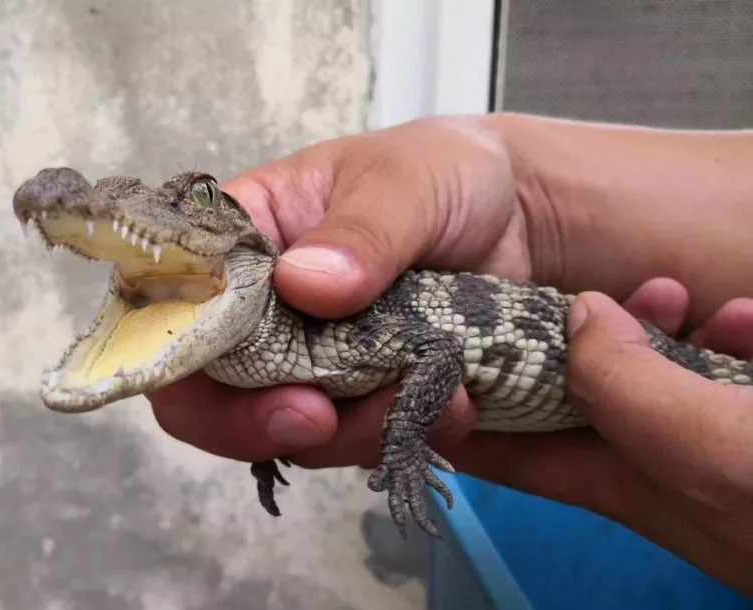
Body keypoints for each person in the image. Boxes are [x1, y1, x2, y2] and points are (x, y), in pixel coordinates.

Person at [144, 113, 753, 593]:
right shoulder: (266, 342)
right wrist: (517, 186)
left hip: (624, 359)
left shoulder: (333, 326)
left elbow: (437, 351)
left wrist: (404, 441)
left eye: (193, 198)